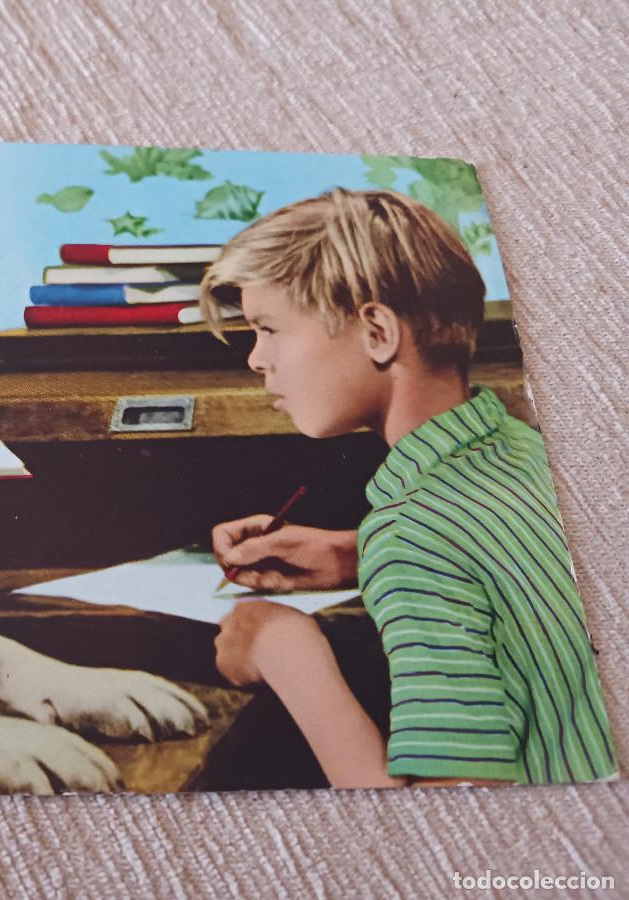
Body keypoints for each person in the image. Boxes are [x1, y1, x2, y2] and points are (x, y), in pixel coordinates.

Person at [199, 188, 617, 788]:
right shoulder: (529, 451)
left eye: (269, 329)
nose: (256, 359)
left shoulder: (410, 538)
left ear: (376, 331)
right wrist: (356, 551)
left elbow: (457, 818)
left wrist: (284, 652)